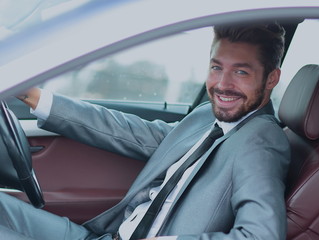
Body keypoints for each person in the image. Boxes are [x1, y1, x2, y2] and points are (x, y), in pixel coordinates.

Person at [0, 23, 290, 240]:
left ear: (271, 78)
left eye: (241, 72)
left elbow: (260, 235)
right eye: (216, 67)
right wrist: (33, 95)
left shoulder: (261, 140)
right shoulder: (207, 116)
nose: (222, 84)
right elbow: (127, 131)